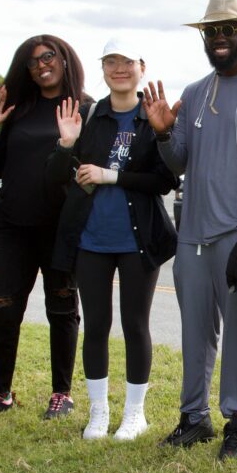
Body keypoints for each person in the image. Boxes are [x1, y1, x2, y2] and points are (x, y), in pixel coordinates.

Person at [143, 0, 237, 460]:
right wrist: (164, 133)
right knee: (195, 329)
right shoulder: (194, 92)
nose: (220, 39)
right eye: (212, 32)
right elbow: (179, 162)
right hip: (193, 232)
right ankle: (194, 418)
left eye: (229, 30)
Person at [48, 39, 179, 441]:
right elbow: (56, 178)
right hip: (92, 239)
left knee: (135, 324)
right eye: (110, 62)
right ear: (102, 69)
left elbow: (165, 180)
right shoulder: (90, 114)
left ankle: (134, 414)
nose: (118, 69)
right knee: (97, 326)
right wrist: (66, 144)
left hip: (138, 240)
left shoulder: (152, 114)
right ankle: (99, 411)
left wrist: (114, 175)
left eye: (126, 62)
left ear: (141, 67)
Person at [0, 35, 87, 422]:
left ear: (64, 59)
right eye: (33, 61)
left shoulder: (84, 107)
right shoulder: (19, 109)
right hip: (13, 226)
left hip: (60, 226)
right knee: (3, 309)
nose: (42, 65)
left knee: (62, 309)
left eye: (49, 56)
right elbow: (2, 167)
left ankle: (61, 394)